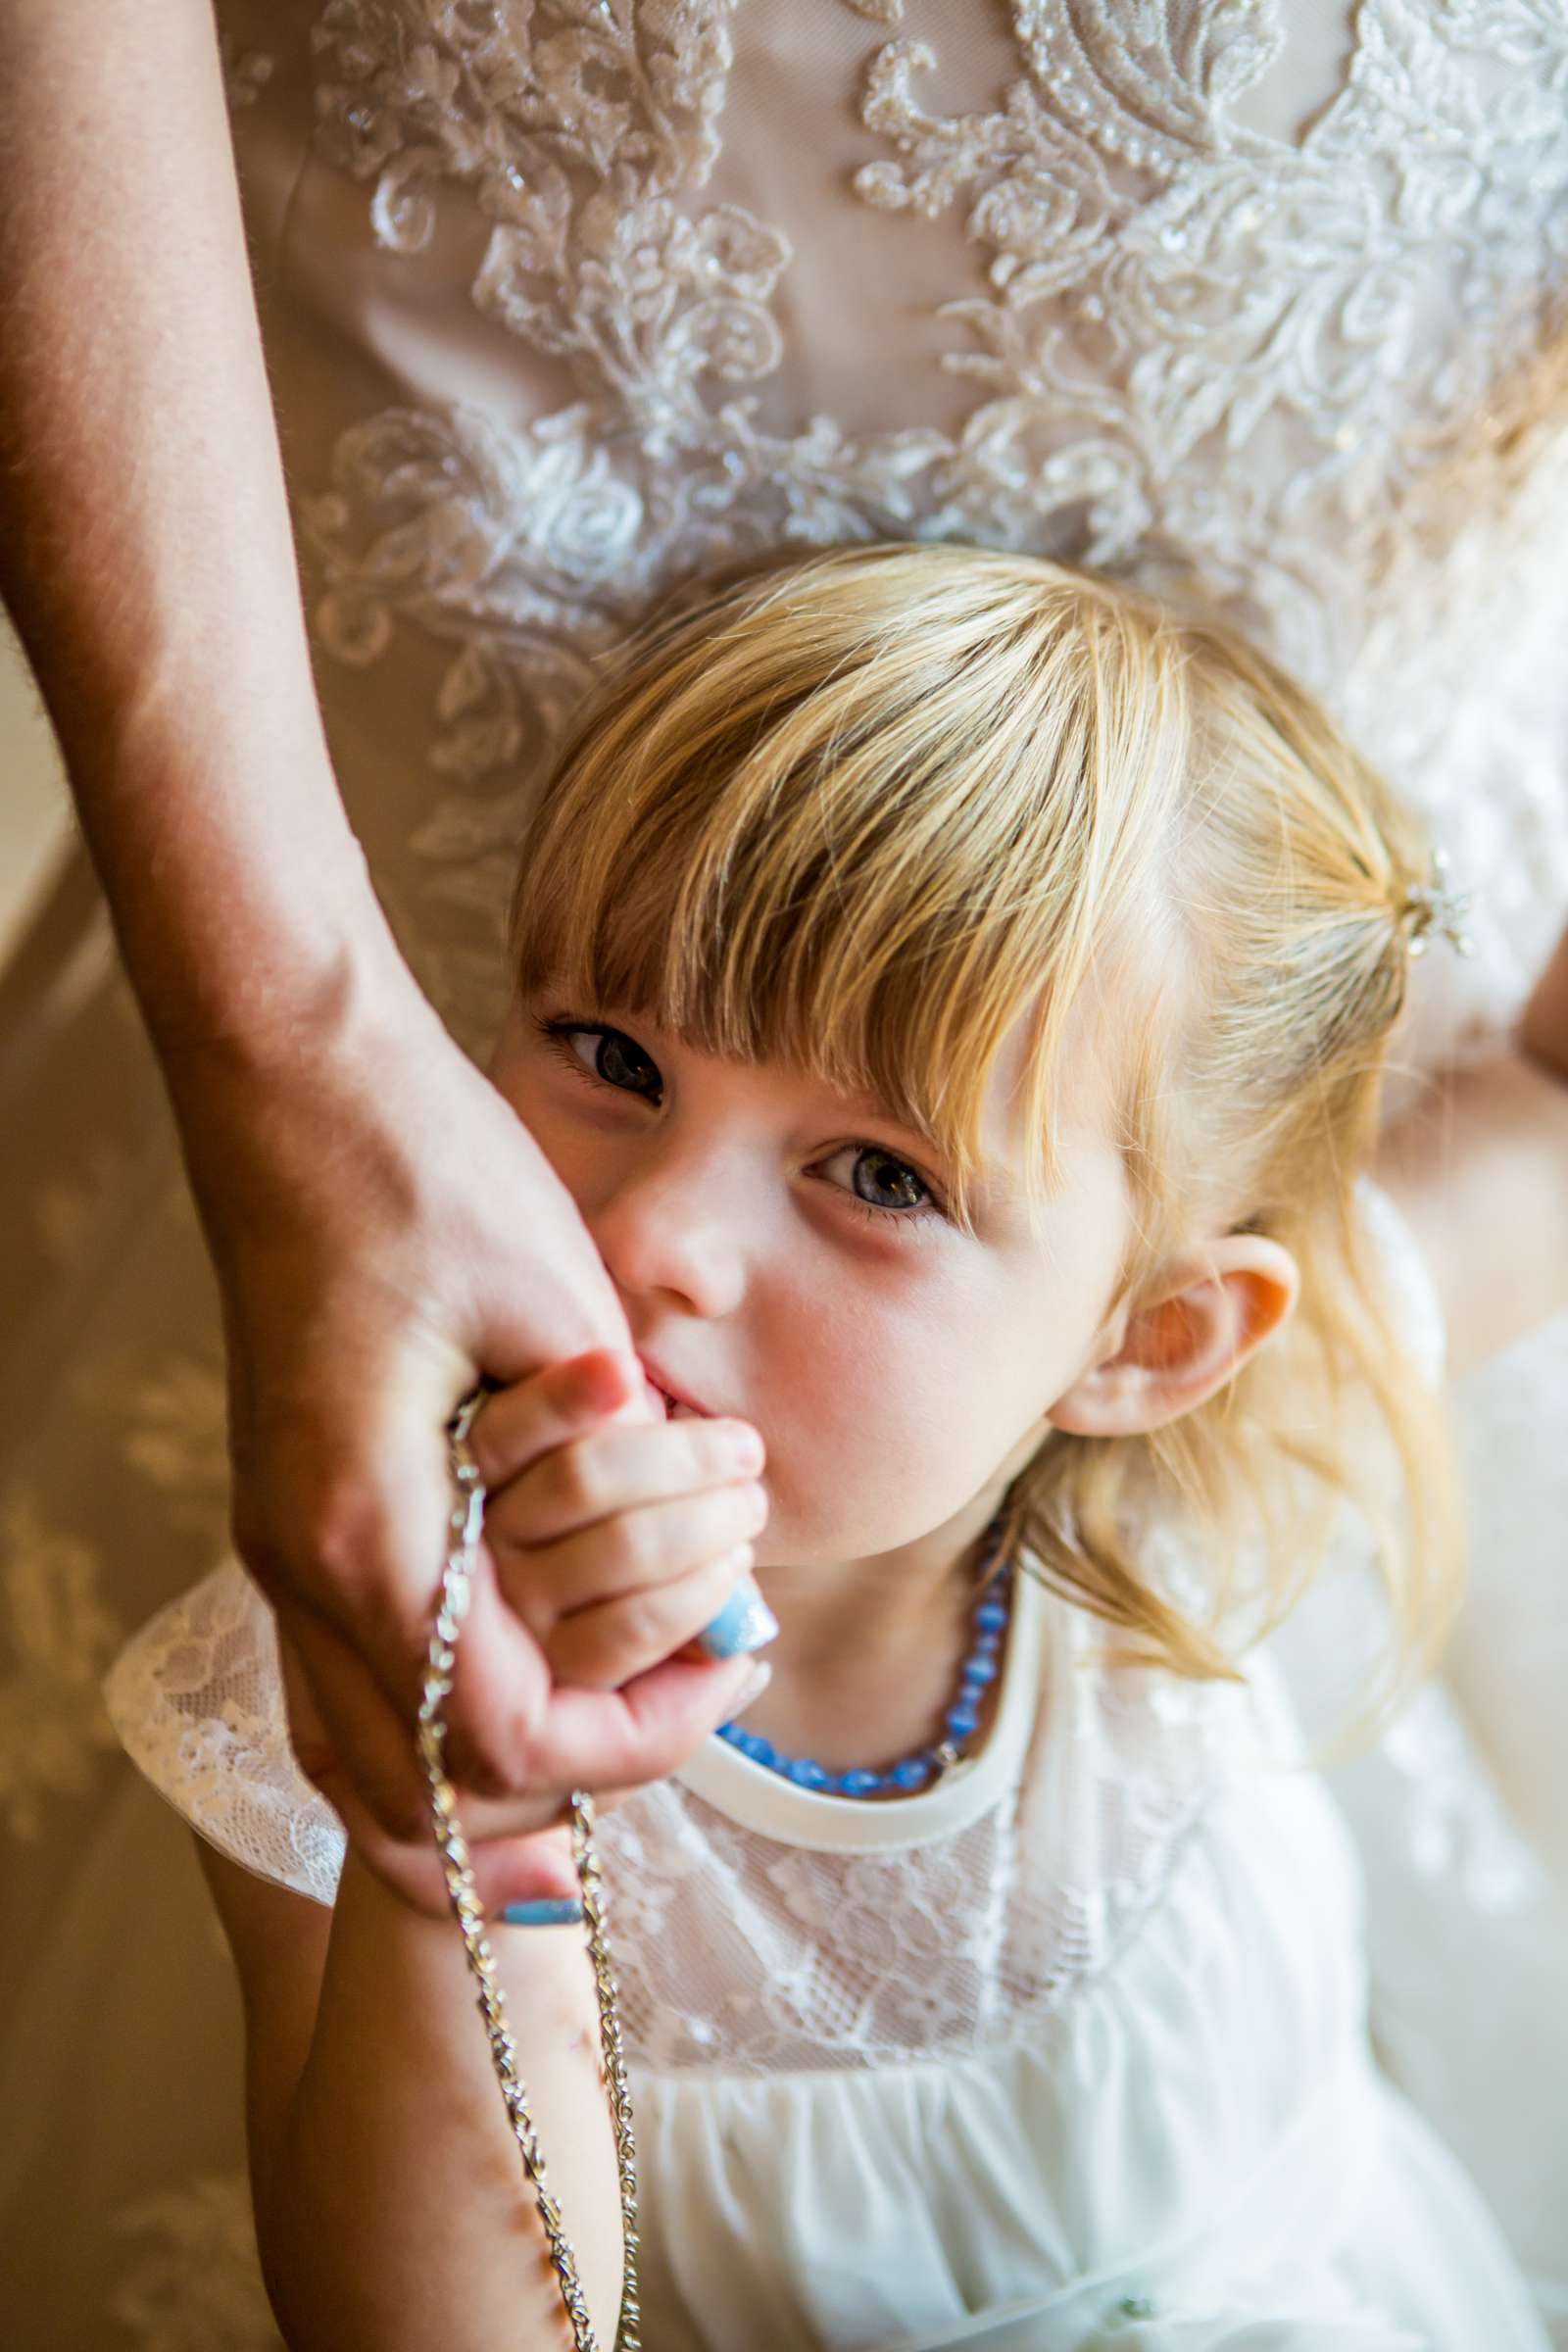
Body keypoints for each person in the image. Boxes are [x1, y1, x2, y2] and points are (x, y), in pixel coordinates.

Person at [4, 8, 1568, 2340]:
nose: (648, 1235)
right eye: (608, 1048)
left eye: (873, 1175)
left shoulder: (1229, 1471)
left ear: (1142, 1343)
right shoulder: (390, 1649)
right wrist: (463, 1852)